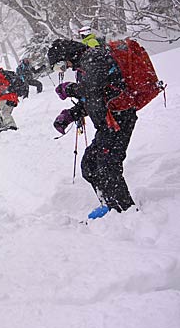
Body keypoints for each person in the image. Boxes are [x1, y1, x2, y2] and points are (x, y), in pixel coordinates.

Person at [48, 38, 136, 218]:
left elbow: (92, 91)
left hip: (119, 119)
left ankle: (126, 212)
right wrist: (69, 116)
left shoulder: (94, 57)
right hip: (107, 124)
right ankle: (109, 205)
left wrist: (70, 89)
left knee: (108, 166)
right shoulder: (84, 65)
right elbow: (92, 100)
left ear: (66, 56)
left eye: (60, 65)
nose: (64, 69)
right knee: (89, 165)